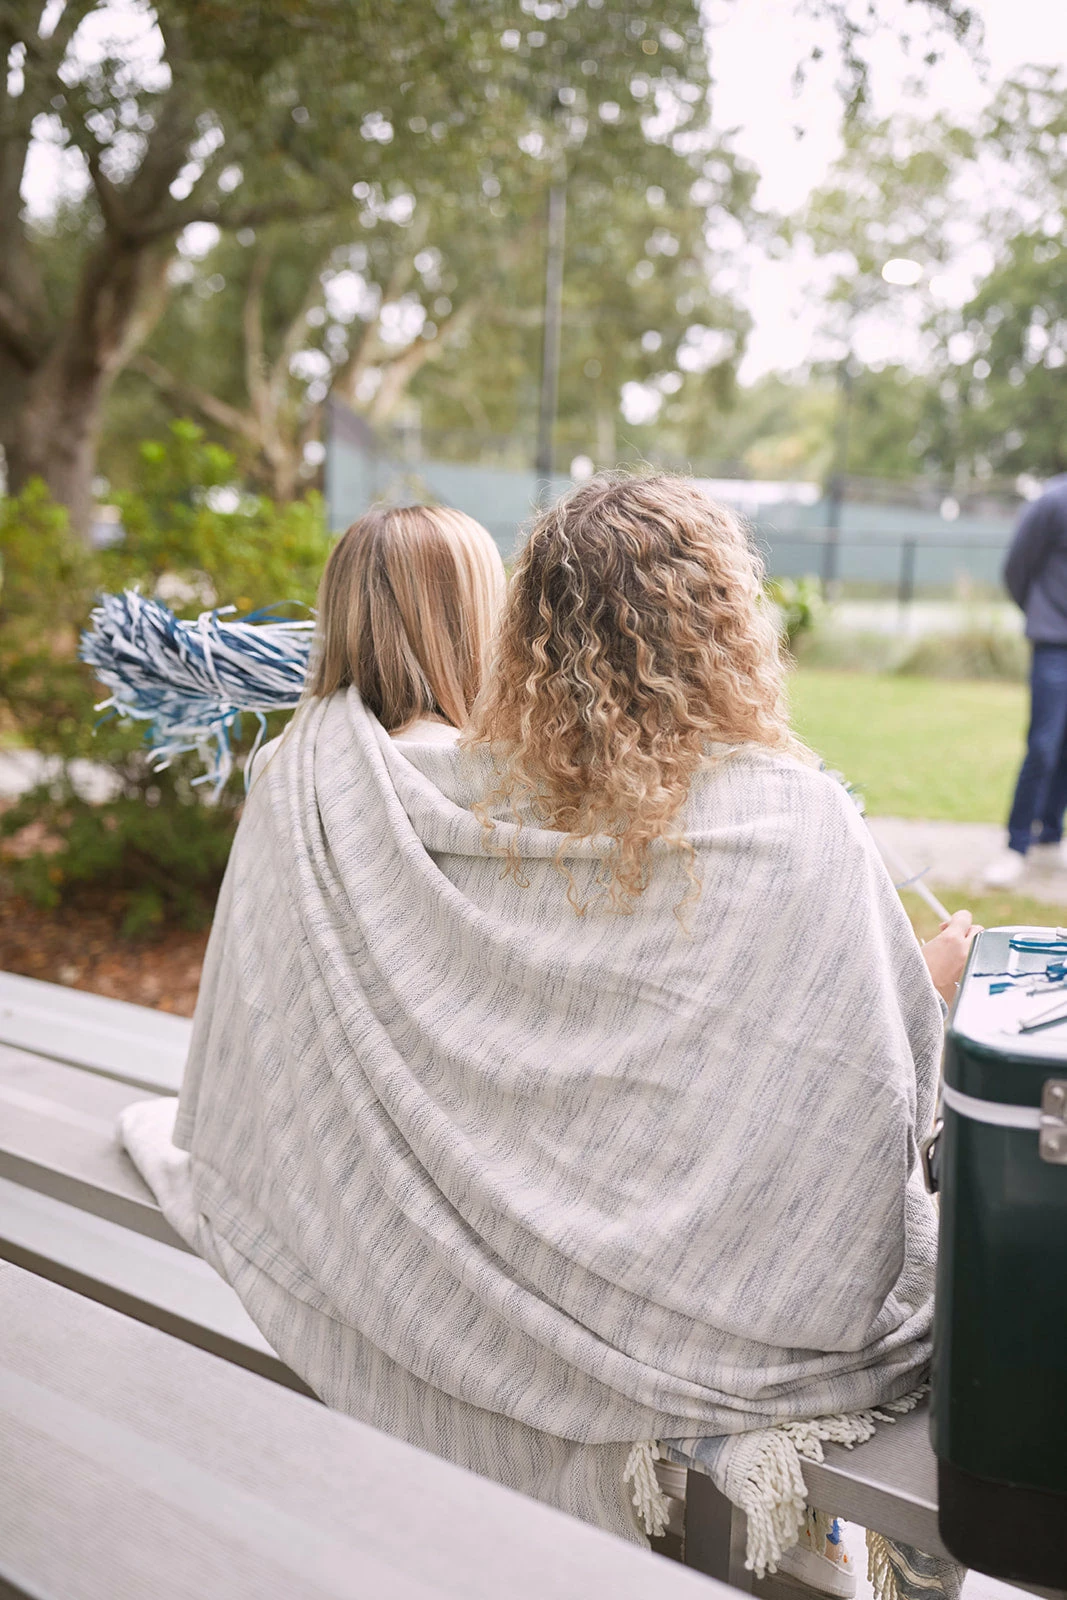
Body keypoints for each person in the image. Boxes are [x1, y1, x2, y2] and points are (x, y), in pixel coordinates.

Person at [120, 474, 973, 1580]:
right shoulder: (781, 814)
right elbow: (866, 1092)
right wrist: (931, 979)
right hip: (753, 1312)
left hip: (413, 1266)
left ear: (525, 633)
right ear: (726, 620)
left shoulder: (328, 783)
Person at [985, 476, 1067, 887]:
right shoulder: (1052, 501)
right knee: (1043, 746)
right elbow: (1016, 568)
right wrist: (1043, 615)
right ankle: (1016, 846)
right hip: (1055, 644)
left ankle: (1051, 836)